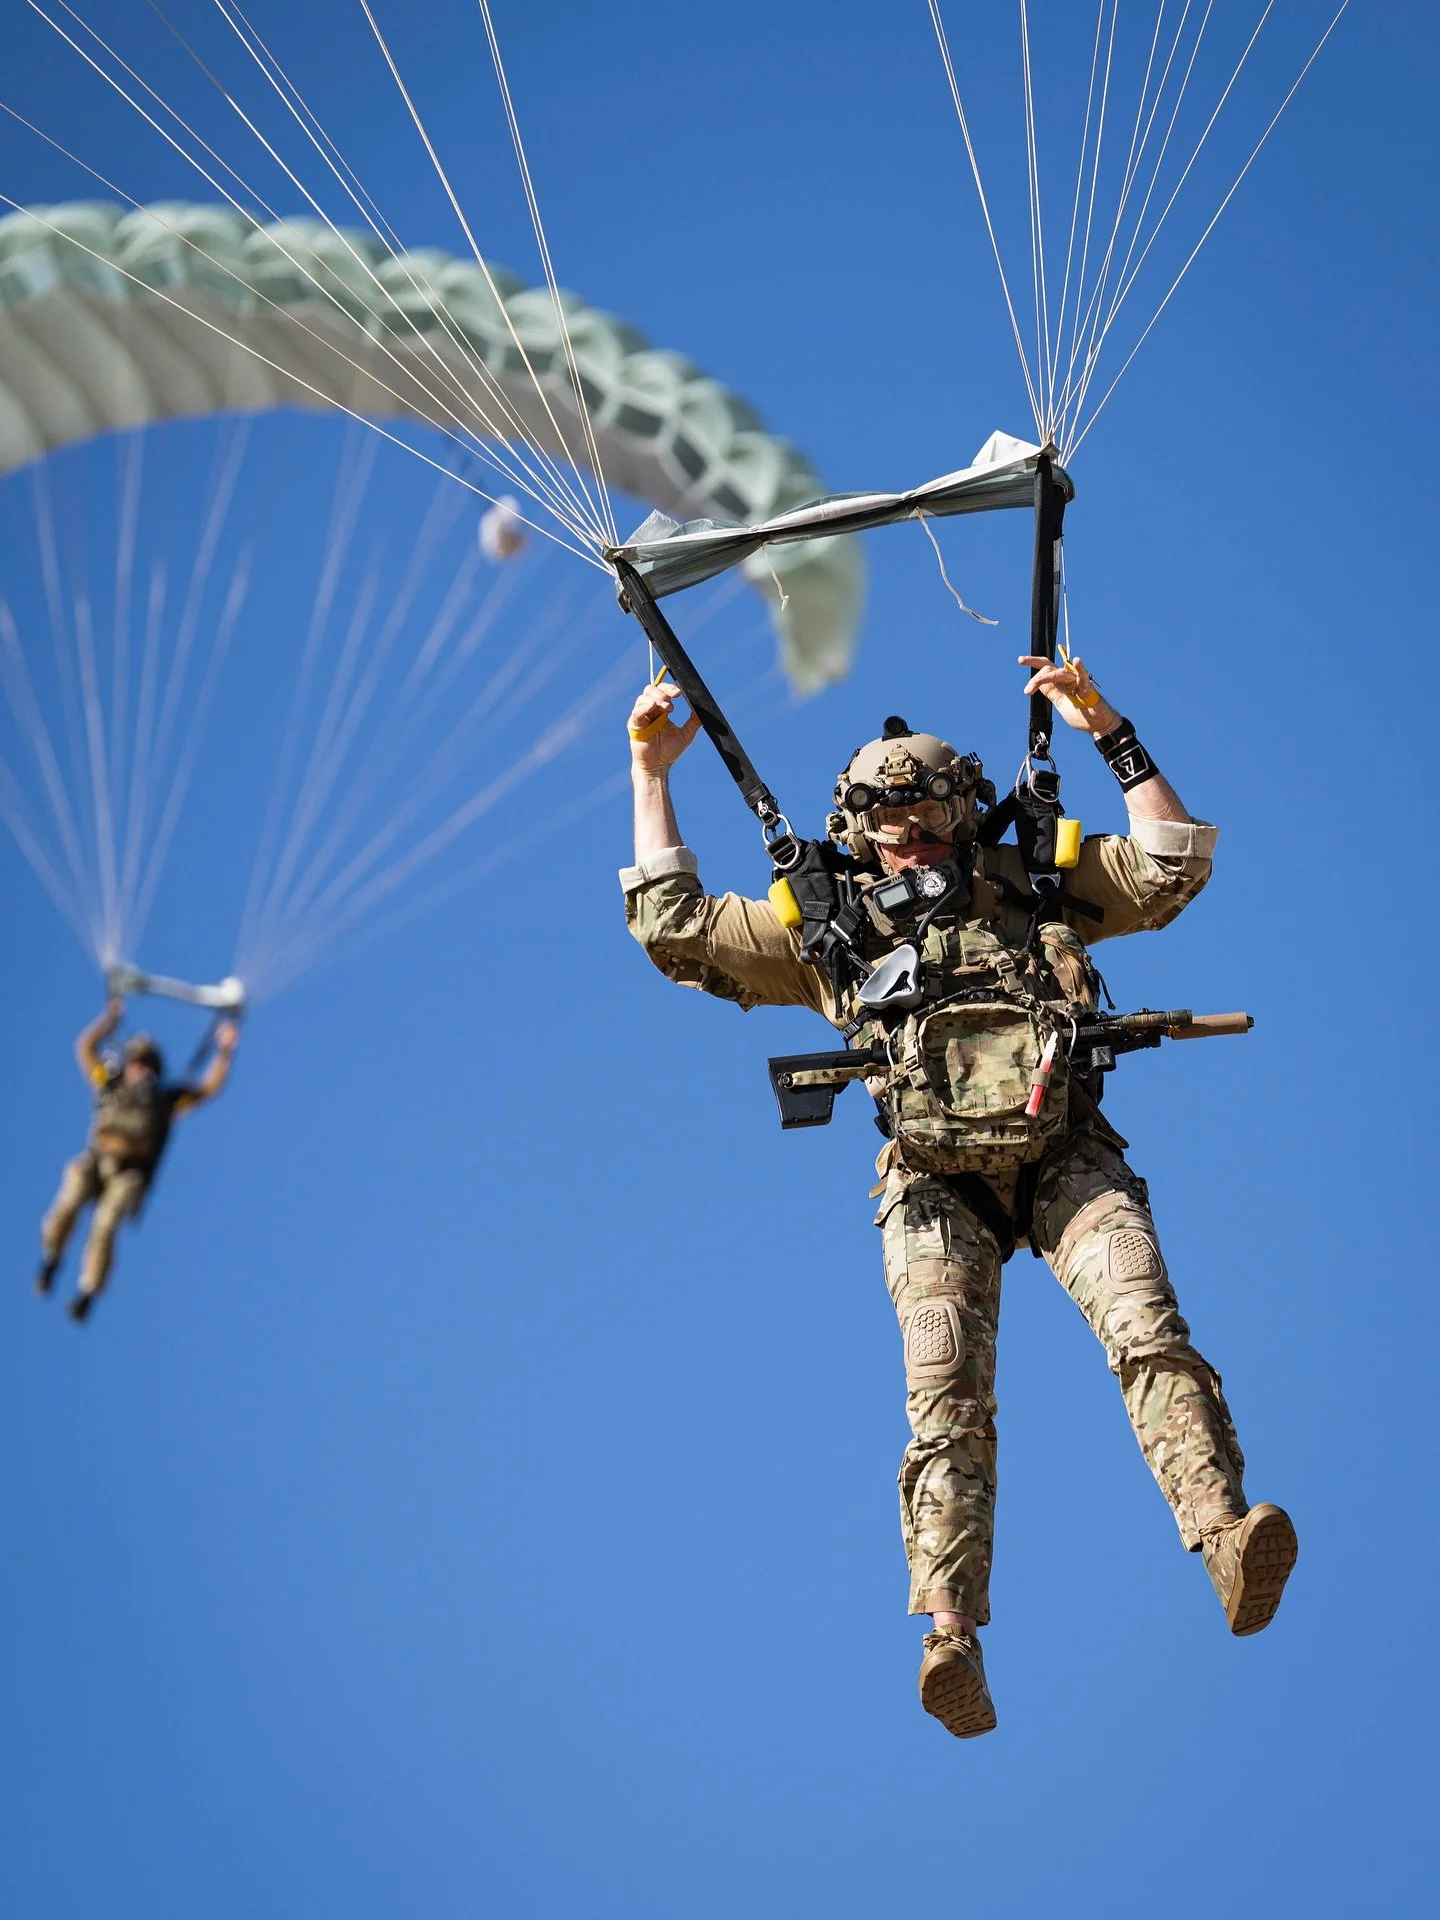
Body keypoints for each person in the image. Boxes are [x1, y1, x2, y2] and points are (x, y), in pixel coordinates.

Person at [620, 651, 1296, 1740]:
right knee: (945, 1400)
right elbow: (676, 928)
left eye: (930, 816)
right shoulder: (825, 923)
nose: (912, 841)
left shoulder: (1036, 879)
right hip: (933, 1186)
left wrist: (1106, 727)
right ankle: (950, 1643)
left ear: (966, 808)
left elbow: (1171, 863)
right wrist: (652, 773)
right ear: (854, 827)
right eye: (888, 824)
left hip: (1065, 1153)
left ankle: (1225, 1536)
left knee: (1147, 1329)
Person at [36, 999, 241, 1323]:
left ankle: (88, 1294)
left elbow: (209, 1088)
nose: (142, 1069)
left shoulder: (166, 1102)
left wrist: (225, 1051)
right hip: (97, 1159)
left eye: (149, 1065)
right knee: (71, 1195)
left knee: (105, 1224)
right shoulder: (108, 1081)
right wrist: (110, 1020)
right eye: (138, 1062)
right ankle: (51, 1260)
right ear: (128, 1062)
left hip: (130, 1174)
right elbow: (85, 1047)